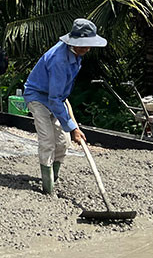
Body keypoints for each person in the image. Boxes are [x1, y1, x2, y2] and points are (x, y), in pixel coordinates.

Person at [23, 18, 107, 195]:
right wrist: (73, 128)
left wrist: (73, 127)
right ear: (73, 42)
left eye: (88, 45)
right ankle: (48, 188)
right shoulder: (59, 60)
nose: (87, 49)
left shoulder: (76, 55)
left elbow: (60, 96)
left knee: (63, 142)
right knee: (47, 141)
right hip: (38, 97)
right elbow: (54, 99)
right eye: (83, 45)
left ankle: (54, 176)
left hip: (57, 98)